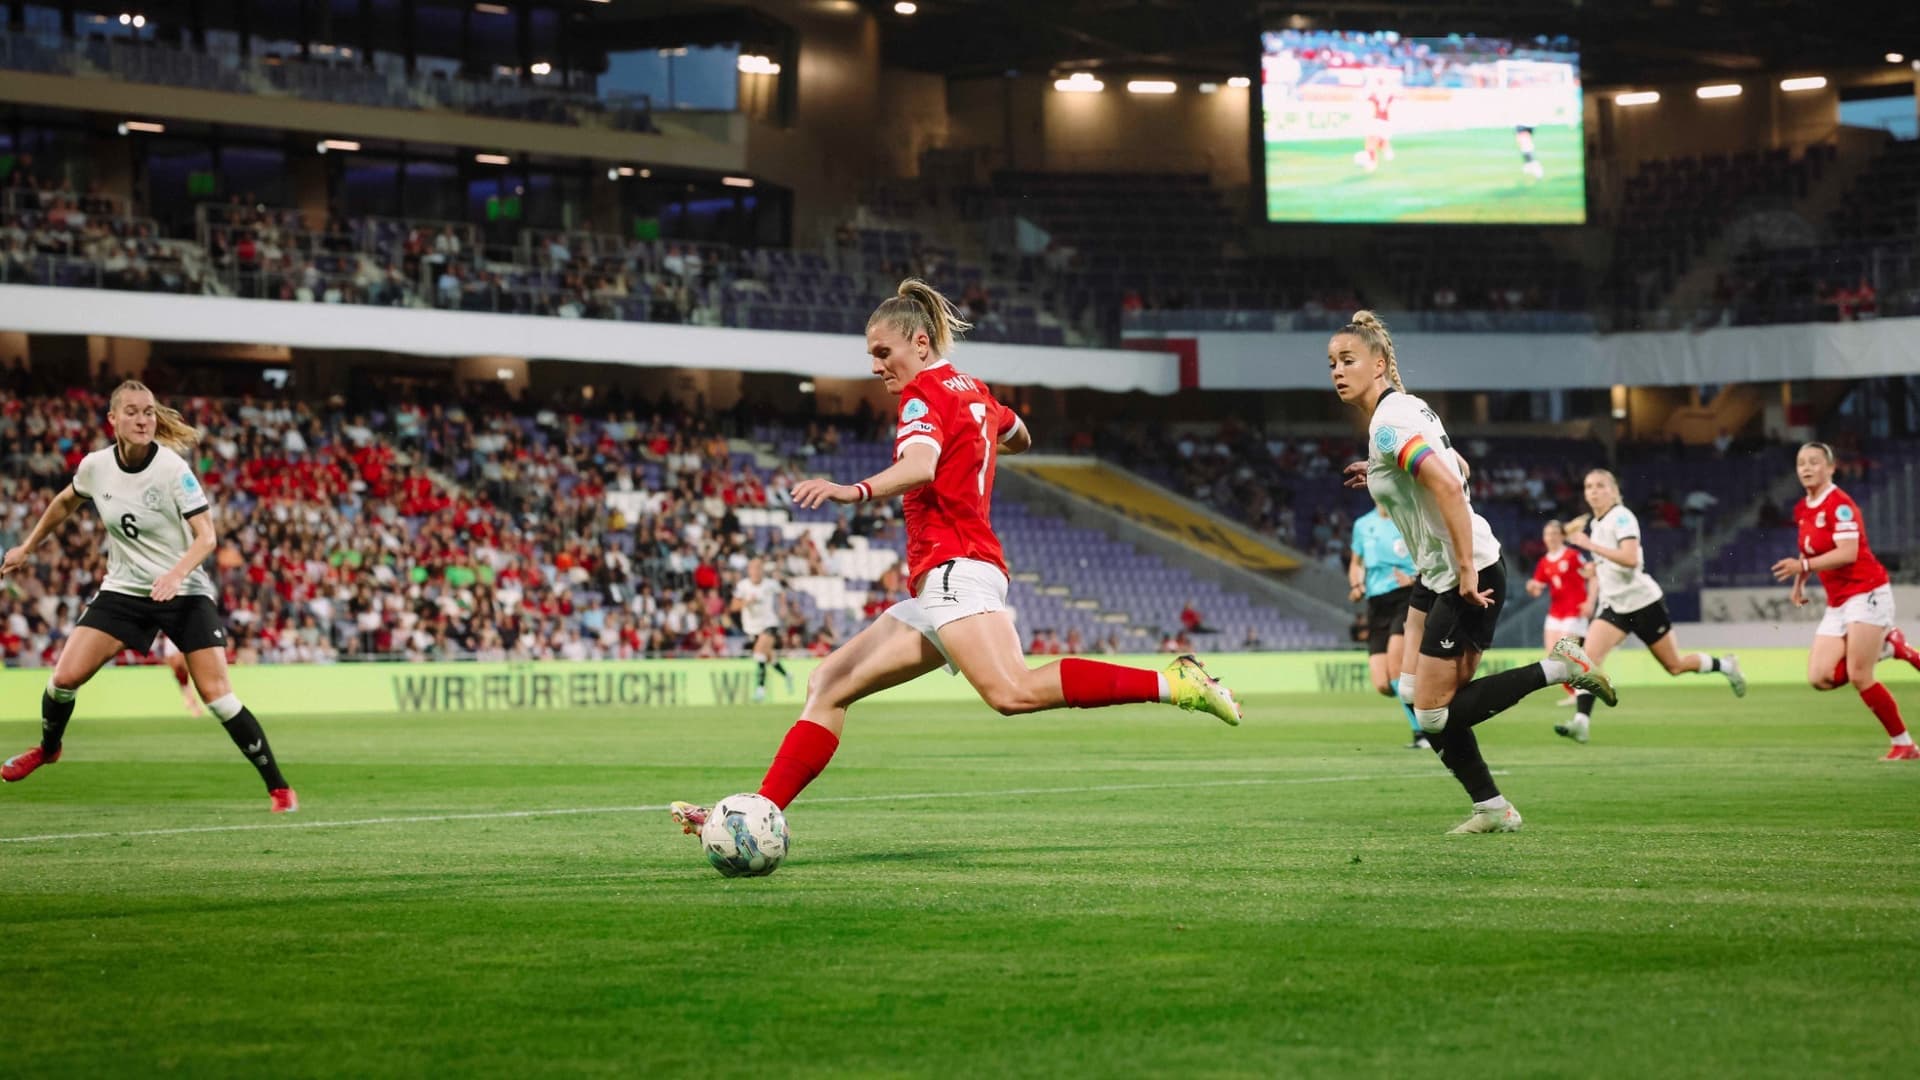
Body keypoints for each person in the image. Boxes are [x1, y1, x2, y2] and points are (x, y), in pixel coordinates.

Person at [671, 281, 1240, 839]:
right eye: (871, 355)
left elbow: (919, 465)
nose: (876, 365)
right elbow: (1021, 435)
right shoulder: (976, 391)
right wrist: (982, 435)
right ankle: (756, 814)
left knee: (1011, 692)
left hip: (954, 567)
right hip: (948, 576)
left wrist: (854, 490)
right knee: (829, 682)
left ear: (920, 342)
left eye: (882, 351)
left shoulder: (924, 395)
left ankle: (1175, 682)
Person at [1332, 311, 1613, 833]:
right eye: (1332, 363)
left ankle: (1562, 669)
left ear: (1379, 363)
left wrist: (1463, 569)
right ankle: (1492, 807)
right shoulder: (1407, 412)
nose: (1337, 371)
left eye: (1347, 360)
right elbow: (1458, 465)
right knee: (1420, 698)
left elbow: (1444, 482)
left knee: (1434, 713)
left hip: (1467, 572)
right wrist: (1377, 472)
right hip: (1440, 574)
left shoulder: (1390, 424)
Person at [0, 381, 297, 812]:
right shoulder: (96, 466)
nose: (143, 420)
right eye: (134, 412)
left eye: (150, 412)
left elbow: (207, 537)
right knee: (63, 680)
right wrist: (28, 546)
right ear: (113, 419)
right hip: (125, 589)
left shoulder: (173, 470)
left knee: (218, 696)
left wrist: (177, 575)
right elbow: (66, 501)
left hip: (185, 590)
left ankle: (280, 788)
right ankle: (48, 749)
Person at [1560, 469, 1744, 743]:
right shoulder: (1598, 525)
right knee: (1588, 661)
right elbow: (1612, 561)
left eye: (1600, 485)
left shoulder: (1622, 517)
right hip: (1615, 607)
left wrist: (1591, 548)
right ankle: (1581, 723)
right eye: (1588, 486)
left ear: (1613, 490)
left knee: (1675, 666)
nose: (1593, 491)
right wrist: (1594, 567)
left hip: (1643, 603)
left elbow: (1630, 558)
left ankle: (1726, 666)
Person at [1771, 442, 1920, 760]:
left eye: (1814, 462)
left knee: (1859, 675)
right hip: (1838, 602)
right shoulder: (1803, 507)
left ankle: (1904, 744)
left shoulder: (1841, 505)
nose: (1806, 468)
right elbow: (1807, 550)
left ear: (1830, 467)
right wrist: (1800, 581)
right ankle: (1890, 647)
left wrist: (1805, 567)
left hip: (1867, 592)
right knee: (1819, 678)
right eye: (1801, 463)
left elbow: (1848, 553)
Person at [1349, 501, 1425, 748]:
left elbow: (1431, 555)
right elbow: (1356, 563)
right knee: (1383, 683)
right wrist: (1357, 586)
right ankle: (1423, 694)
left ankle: (1423, 734)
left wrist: (1415, 578)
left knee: (1396, 671)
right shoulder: (1363, 524)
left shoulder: (1409, 517)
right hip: (1376, 603)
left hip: (1405, 597)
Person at [1525, 520, 1595, 704]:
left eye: (1555, 534)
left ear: (1562, 536)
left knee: (1566, 653)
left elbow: (1591, 574)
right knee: (1553, 658)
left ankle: (1583, 690)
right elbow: (1537, 588)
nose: (1551, 537)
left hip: (1575, 611)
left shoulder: (1572, 556)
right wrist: (1531, 586)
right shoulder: (1544, 561)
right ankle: (1574, 693)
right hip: (1555, 613)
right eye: (1547, 534)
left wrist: (1590, 601)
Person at [731, 558, 792, 704]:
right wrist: (747, 602)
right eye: (753, 568)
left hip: (769, 623)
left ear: (762, 570)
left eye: (759, 568)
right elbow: (734, 607)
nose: (756, 571)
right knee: (768, 657)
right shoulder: (743, 586)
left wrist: (783, 607)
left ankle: (760, 689)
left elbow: (781, 592)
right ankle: (787, 675)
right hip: (752, 627)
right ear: (749, 570)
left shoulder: (770, 584)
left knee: (759, 652)